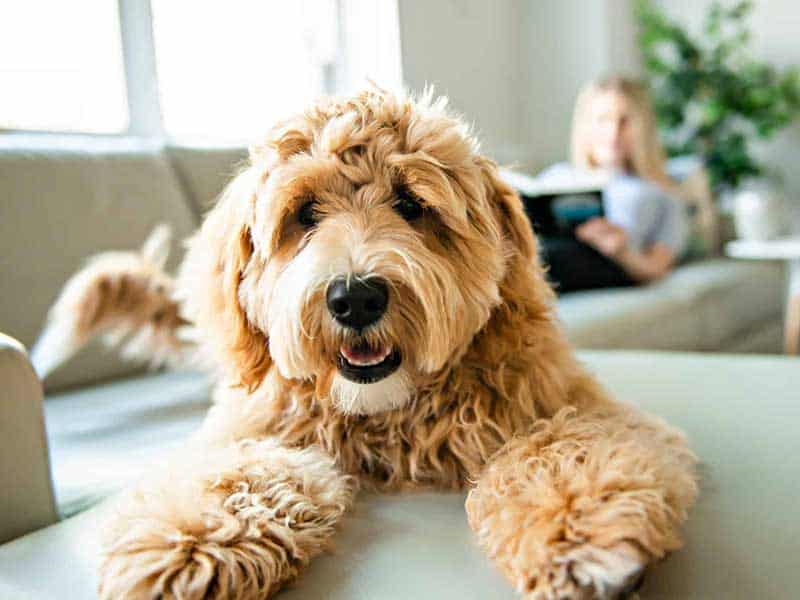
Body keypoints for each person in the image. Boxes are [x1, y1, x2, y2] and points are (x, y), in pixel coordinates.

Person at [537, 76, 690, 293]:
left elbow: (657, 267)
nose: (613, 133)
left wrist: (622, 252)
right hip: (537, 251)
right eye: (603, 120)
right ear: (585, 126)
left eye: (625, 121)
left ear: (643, 128)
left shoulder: (660, 191)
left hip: (606, 263)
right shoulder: (555, 176)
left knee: (545, 257)